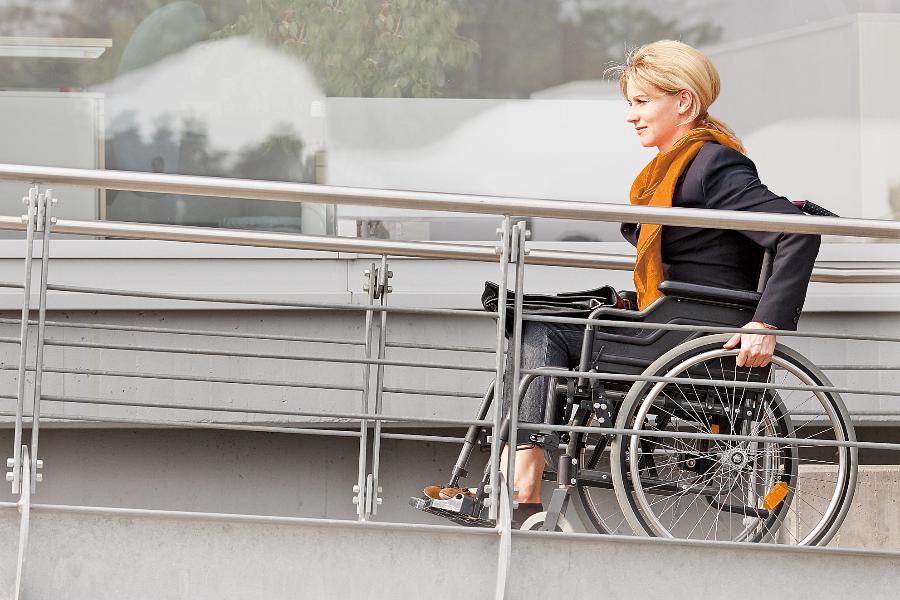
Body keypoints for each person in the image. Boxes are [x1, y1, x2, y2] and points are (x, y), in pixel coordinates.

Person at [423, 40, 820, 528]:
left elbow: (796, 231)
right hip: (673, 317)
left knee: (541, 330)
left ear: (684, 102)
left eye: (641, 102)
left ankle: (519, 492)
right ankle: (509, 488)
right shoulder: (669, 171)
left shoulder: (713, 164)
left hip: (695, 328)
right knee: (530, 318)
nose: (631, 116)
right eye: (629, 104)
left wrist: (766, 322)